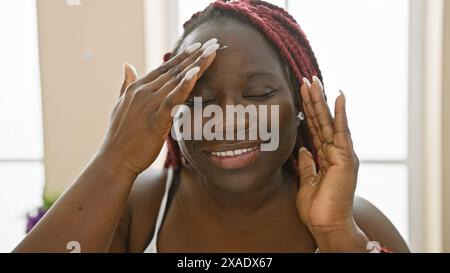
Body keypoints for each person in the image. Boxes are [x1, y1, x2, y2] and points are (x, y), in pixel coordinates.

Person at [14, 0, 409, 253]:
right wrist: (114, 160)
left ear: (302, 104)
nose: (228, 119)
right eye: (196, 97)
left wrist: (337, 234)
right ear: (171, 114)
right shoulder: (139, 208)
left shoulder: (356, 224)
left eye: (257, 94)